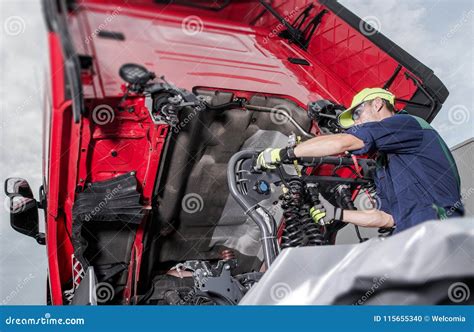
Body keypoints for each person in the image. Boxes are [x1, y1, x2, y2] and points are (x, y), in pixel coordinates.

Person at [257, 88, 464, 234]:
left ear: (378, 103)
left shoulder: (406, 123)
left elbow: (344, 143)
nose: (356, 122)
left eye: (358, 112)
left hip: (439, 233)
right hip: (411, 239)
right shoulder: (386, 163)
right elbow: (385, 218)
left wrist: (285, 154)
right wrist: (336, 213)